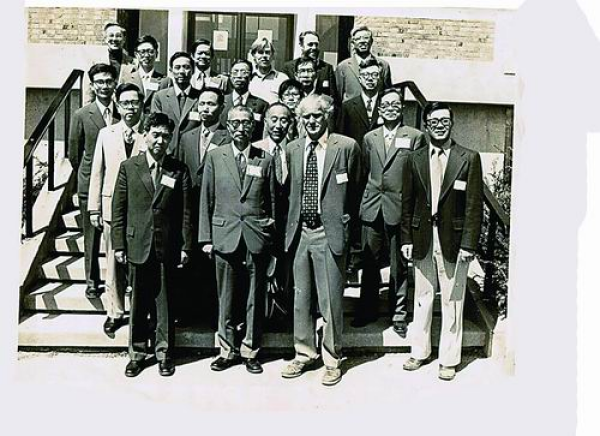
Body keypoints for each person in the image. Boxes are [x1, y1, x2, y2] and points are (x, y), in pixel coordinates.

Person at [280, 94, 361, 386]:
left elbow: (357, 189)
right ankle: (304, 353)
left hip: (330, 232)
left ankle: (332, 358)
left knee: (330, 300)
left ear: (327, 115)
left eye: (317, 115)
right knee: (301, 298)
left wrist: (346, 225)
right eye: (306, 117)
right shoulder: (293, 148)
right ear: (300, 120)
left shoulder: (346, 147)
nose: (312, 121)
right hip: (301, 231)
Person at [400, 102, 483, 381]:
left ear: (452, 124)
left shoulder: (468, 158)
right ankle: (419, 351)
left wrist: (469, 244)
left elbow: (474, 207)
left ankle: (448, 359)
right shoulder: (414, 159)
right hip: (422, 237)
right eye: (434, 121)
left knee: (452, 300)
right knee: (422, 297)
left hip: (454, 241)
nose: (439, 125)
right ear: (426, 125)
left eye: (444, 121)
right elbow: (407, 203)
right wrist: (406, 238)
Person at [112, 112, 193, 378]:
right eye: (155, 135)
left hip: (166, 246)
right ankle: (137, 354)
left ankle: (164, 353)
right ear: (145, 135)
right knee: (138, 303)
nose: (160, 141)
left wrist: (186, 246)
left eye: (165, 136)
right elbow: (118, 209)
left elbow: (186, 212)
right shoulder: (129, 167)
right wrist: (118, 245)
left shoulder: (178, 170)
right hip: (137, 244)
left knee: (164, 303)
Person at [199, 106, 276, 374]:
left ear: (254, 127)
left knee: (255, 295)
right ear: (228, 126)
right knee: (227, 296)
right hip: (225, 234)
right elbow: (206, 199)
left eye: (246, 123)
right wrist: (206, 238)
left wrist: (270, 235)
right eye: (235, 123)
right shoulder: (215, 156)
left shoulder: (264, 159)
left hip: (256, 235)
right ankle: (227, 349)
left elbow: (272, 201)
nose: (241, 128)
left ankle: (250, 349)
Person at [356, 88, 427, 333]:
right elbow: (365, 171)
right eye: (385, 105)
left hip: (399, 207)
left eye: (395, 105)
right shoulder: (370, 138)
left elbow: (418, 176)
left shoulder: (415, 137)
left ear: (402, 108)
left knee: (399, 264)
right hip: (372, 206)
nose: (390, 109)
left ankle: (398, 313)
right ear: (379, 109)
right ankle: (367, 309)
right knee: (369, 261)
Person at [88, 83, 145, 337]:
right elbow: (97, 172)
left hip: (141, 211)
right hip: (112, 208)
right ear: (118, 107)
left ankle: (141, 312)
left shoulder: (149, 134)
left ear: (141, 105)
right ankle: (115, 311)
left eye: (135, 102)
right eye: (125, 103)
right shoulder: (106, 134)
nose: (130, 108)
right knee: (113, 263)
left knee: (140, 263)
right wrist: (94, 208)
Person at [177, 88, 229, 326]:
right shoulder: (186, 137)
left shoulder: (227, 137)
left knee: (212, 263)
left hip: (215, 208)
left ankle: (212, 315)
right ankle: (189, 312)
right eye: (202, 103)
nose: (205, 108)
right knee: (190, 261)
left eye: (211, 104)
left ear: (221, 108)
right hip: (189, 207)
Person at [68, 63, 120, 299]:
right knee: (91, 235)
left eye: (108, 81)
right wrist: (88, 176)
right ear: (92, 85)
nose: (104, 86)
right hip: (90, 183)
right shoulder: (81, 115)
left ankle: (120, 279)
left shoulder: (122, 112)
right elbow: (74, 154)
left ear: (115, 83)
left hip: (118, 182)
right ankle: (92, 281)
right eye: (99, 82)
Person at [253, 103, 293, 322]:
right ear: (266, 121)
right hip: (262, 222)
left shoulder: (296, 149)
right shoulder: (255, 149)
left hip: (288, 222)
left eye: (284, 120)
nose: (278, 125)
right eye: (274, 119)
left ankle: (282, 315)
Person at [151, 52, 201, 155]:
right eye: (177, 67)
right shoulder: (160, 97)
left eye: (186, 67)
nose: (181, 71)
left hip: (191, 152)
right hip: (166, 151)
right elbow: (156, 126)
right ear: (171, 71)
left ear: (193, 70)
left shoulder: (200, 97)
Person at [335, 25, 392, 102]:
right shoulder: (343, 67)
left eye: (366, 38)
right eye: (358, 39)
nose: (362, 41)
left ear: (371, 41)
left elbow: (388, 94)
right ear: (353, 43)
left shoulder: (383, 65)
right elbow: (338, 97)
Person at [83, 23, 134, 104]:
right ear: (105, 39)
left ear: (124, 39)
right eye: (111, 35)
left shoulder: (133, 63)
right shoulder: (95, 62)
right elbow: (89, 92)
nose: (114, 39)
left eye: (118, 36)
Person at [220, 59, 269, 142]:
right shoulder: (221, 101)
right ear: (230, 76)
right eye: (235, 72)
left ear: (251, 77)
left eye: (243, 72)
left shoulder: (262, 105)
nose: (239, 76)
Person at [282, 31, 337, 101]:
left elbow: (333, 97)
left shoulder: (327, 68)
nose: (314, 47)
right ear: (301, 45)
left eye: (316, 44)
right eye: (310, 44)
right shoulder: (289, 67)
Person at [119, 35, 165, 115]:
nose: (146, 55)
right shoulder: (126, 79)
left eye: (150, 51)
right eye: (142, 52)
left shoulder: (165, 81)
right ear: (136, 54)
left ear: (156, 54)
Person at [249, 37, 289, 104]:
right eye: (260, 52)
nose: (264, 56)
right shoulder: (249, 78)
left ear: (272, 55)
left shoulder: (282, 78)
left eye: (267, 52)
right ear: (253, 55)